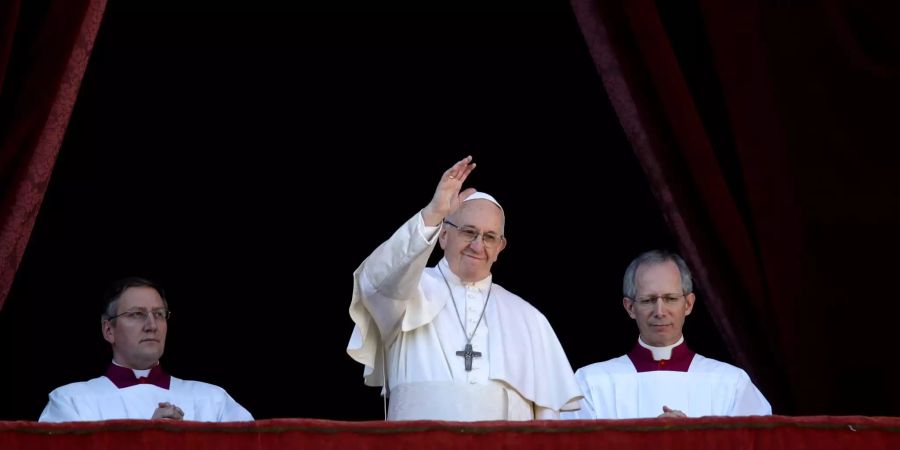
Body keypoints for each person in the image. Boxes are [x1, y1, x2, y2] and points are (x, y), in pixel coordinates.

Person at [346, 156, 582, 421]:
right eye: (469, 232)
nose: (478, 246)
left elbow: (548, 422)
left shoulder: (530, 319)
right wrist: (434, 212)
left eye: (489, 237)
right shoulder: (407, 292)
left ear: (500, 248)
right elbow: (375, 282)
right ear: (443, 235)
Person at [562, 250, 771, 419]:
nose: (660, 311)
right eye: (648, 300)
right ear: (630, 307)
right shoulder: (591, 383)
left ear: (688, 304)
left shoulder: (731, 383)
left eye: (670, 299)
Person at [39, 277, 253, 422]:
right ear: (108, 330)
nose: (151, 325)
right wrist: (147, 439)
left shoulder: (213, 399)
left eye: (159, 314)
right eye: (137, 314)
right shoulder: (71, 401)